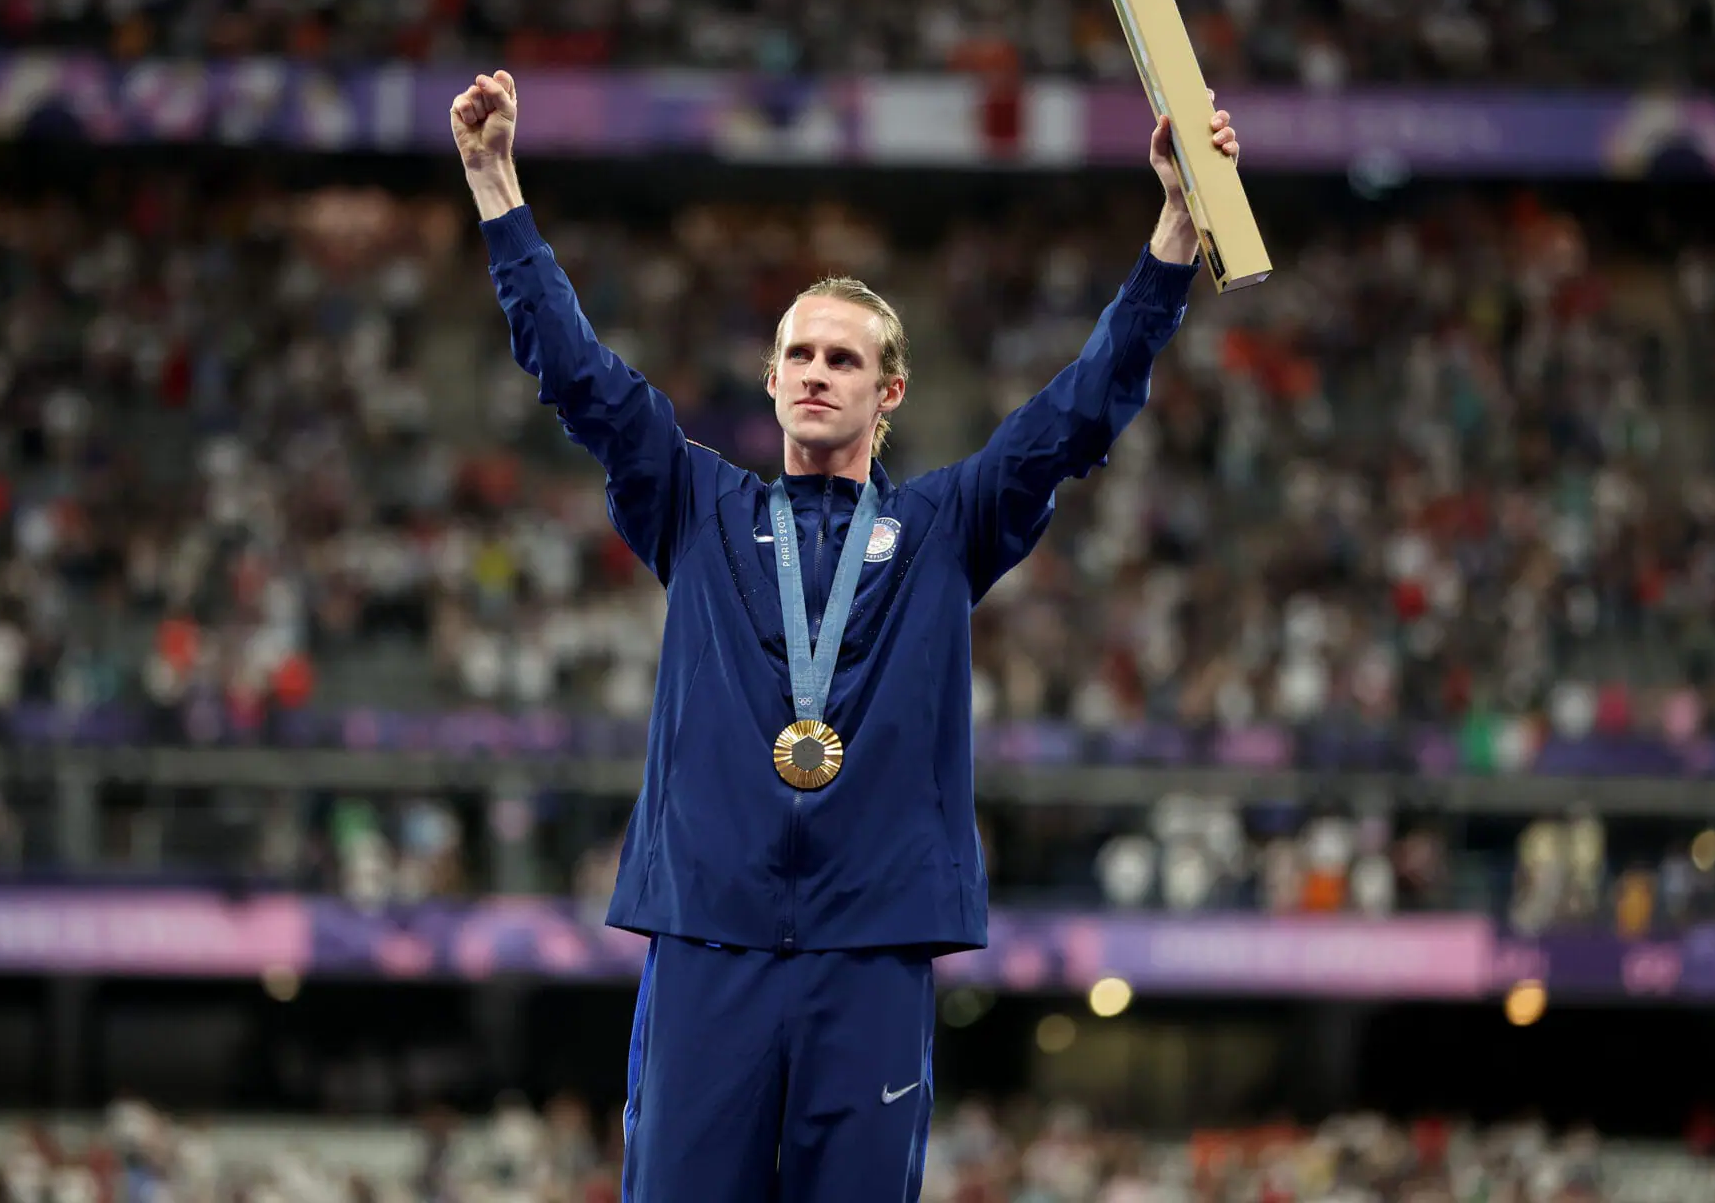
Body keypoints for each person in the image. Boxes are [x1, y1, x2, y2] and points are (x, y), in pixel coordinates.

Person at [449, 68, 1242, 1202]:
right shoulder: (696, 502)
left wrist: (1172, 228)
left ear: (892, 393)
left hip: (868, 950)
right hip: (710, 940)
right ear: (769, 380)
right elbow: (578, 379)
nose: (819, 373)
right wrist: (496, 186)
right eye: (802, 355)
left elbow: (1079, 413)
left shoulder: (943, 526)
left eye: (847, 359)